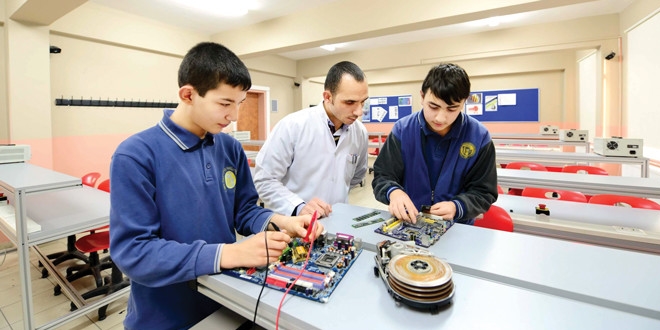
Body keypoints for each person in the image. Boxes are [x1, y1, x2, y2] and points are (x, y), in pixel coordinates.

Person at [108, 42, 323, 330]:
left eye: (239, 103)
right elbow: (135, 254)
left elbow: (244, 211)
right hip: (165, 316)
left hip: (228, 302)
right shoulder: (136, 155)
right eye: (224, 103)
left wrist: (281, 221)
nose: (233, 116)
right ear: (188, 94)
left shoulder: (230, 148)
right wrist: (229, 253)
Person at [372, 63, 498, 224]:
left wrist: (457, 206)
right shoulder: (402, 130)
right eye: (433, 106)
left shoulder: (479, 137)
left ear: (464, 102)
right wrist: (394, 192)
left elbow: (484, 192)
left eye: (452, 109)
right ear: (422, 97)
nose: (440, 118)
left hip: (457, 228)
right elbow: (383, 176)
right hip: (410, 222)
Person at [253, 61, 369, 218]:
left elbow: (357, 176)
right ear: (328, 97)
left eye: (363, 102)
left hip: (337, 220)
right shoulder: (293, 126)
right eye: (350, 102)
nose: (359, 111)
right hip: (295, 223)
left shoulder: (359, 132)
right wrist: (299, 207)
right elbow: (264, 180)